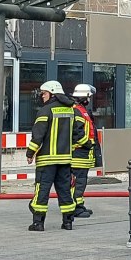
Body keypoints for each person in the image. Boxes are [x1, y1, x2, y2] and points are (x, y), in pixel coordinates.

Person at [26, 80, 88, 232]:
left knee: (42, 191)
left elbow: (38, 135)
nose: (42, 96)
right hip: (65, 160)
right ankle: (68, 222)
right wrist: (72, 149)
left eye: (44, 93)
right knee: (65, 191)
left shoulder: (45, 111)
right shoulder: (72, 110)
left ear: (52, 93)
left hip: (46, 160)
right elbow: (80, 136)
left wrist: (30, 153)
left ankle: (38, 223)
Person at [69, 83, 102, 219]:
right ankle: (75, 208)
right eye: (89, 97)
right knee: (77, 181)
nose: (90, 100)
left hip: (83, 153)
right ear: (85, 97)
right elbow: (77, 133)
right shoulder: (77, 110)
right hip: (79, 153)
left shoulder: (81, 110)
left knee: (80, 181)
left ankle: (79, 205)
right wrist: (88, 144)